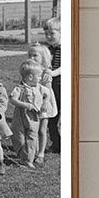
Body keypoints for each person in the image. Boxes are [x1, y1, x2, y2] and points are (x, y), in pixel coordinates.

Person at [9, 60, 45, 168]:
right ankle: (22, 154)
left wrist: (45, 104)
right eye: (38, 76)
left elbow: (47, 94)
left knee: (32, 136)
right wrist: (25, 105)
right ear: (30, 77)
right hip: (20, 117)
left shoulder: (39, 87)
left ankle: (29, 159)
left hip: (33, 118)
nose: (40, 78)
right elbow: (12, 99)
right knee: (18, 136)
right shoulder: (19, 88)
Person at [28, 42, 58, 163]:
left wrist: (45, 103)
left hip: (44, 105)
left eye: (35, 55)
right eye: (30, 55)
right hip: (33, 103)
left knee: (41, 130)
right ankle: (32, 151)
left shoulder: (45, 73)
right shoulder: (28, 70)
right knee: (32, 129)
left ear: (43, 58)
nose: (31, 58)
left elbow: (48, 91)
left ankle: (41, 153)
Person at [43, 17, 62, 152]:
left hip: (61, 84)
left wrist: (53, 73)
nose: (49, 36)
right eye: (46, 34)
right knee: (51, 113)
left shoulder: (64, 48)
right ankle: (56, 143)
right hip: (50, 84)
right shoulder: (48, 49)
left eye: (52, 33)